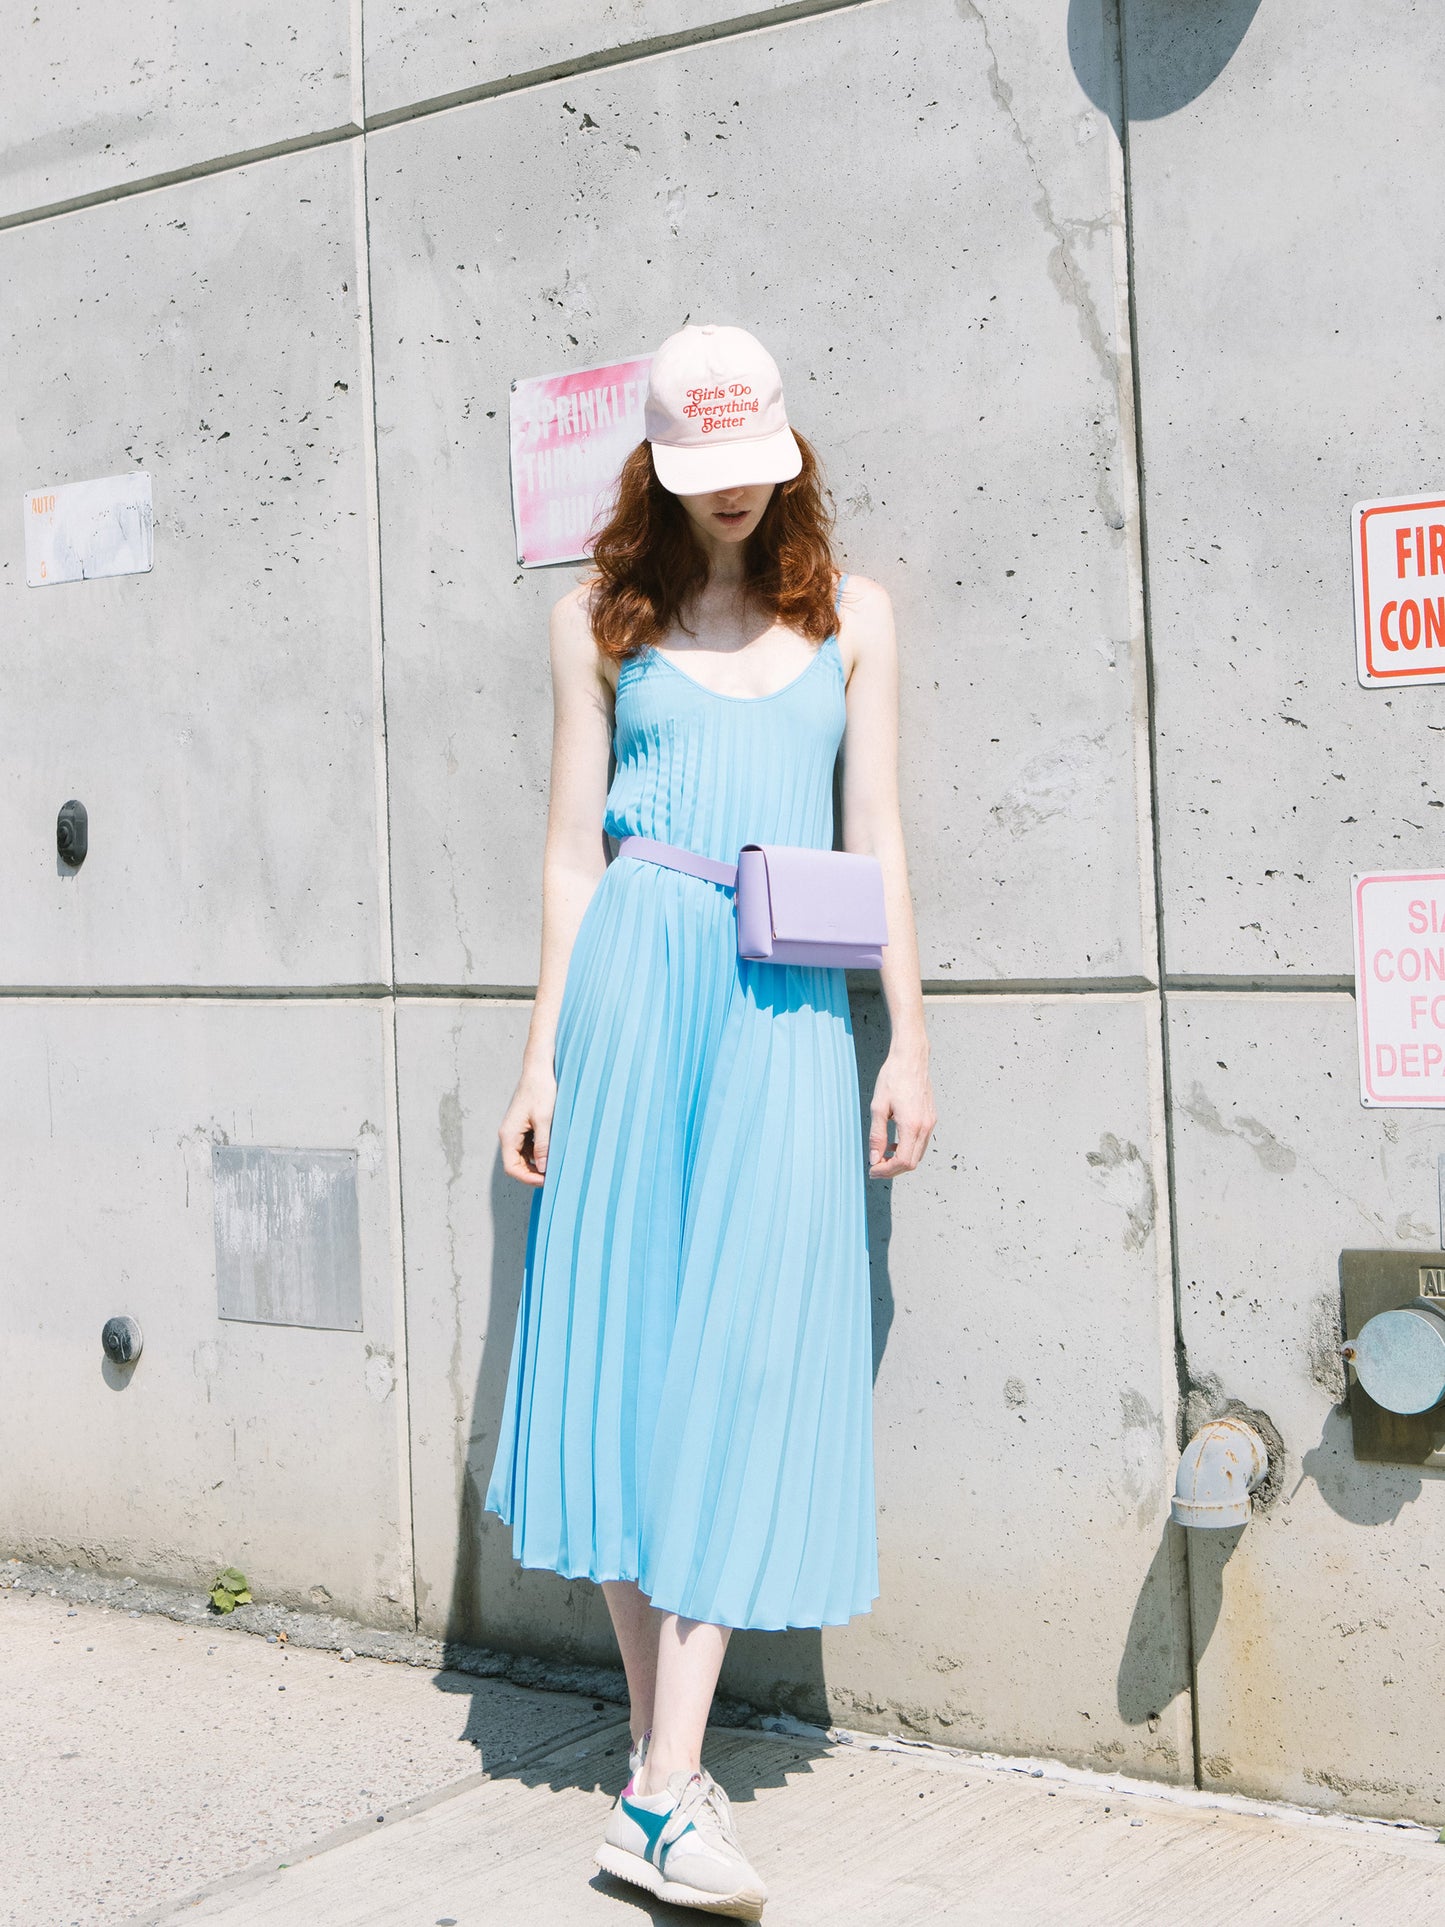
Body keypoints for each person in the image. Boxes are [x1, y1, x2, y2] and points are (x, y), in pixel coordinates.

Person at [486, 322, 935, 1920]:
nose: (734, 496)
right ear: (660, 469)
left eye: (754, 465)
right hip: (631, 989)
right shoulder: (595, 626)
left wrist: (907, 1043)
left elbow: (869, 833)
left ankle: (657, 1790)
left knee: (741, 1368)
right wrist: (541, 1060)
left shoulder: (852, 618)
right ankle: (663, 1788)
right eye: (703, 470)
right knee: (621, 1360)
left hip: (783, 1015)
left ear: (788, 453)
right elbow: (566, 860)